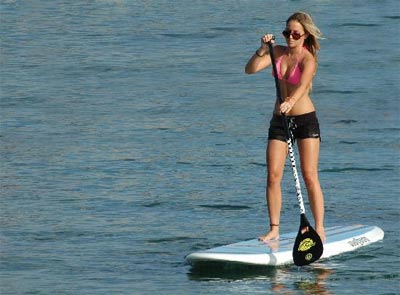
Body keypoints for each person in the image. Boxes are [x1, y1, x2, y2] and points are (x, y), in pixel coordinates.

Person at [245, 12, 326, 242]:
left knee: (309, 175)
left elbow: (302, 86)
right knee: (273, 175)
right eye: (286, 33)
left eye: (295, 33)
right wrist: (262, 49)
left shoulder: (308, 59)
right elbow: (249, 69)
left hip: (305, 119)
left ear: (305, 35)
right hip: (279, 120)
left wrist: (290, 102)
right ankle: (274, 229)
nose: (290, 37)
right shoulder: (277, 52)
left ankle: (319, 228)